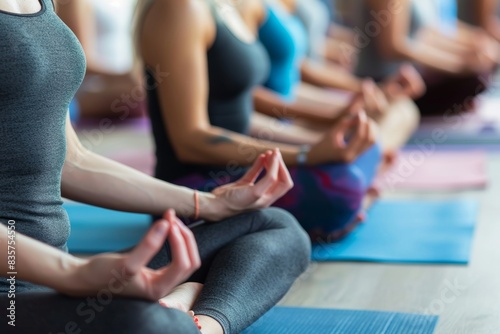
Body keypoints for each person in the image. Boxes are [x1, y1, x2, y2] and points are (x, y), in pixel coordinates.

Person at [0, 1, 311, 333]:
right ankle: (180, 310)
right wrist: (72, 273)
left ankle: (202, 325)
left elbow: (71, 161)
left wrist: (208, 203)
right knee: (144, 323)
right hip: (15, 297)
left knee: (270, 224)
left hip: (59, 277)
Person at [135, 0, 381, 242]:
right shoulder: (179, 9)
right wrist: (305, 154)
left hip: (245, 169)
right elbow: (189, 140)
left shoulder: (233, 6)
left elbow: (240, 115)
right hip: (196, 191)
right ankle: (348, 205)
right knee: (343, 185)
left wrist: (323, 138)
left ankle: (343, 208)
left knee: (365, 150)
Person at [353, 0, 497, 115]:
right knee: (476, 79)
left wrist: (472, 47)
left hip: (409, 78)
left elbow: (430, 34)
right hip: (386, 82)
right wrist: (457, 66)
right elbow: (393, 47)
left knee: (479, 72)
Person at [56, 0, 144, 120]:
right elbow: (78, 61)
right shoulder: (76, 3)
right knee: (140, 97)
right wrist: (123, 76)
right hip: (91, 85)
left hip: (118, 79)